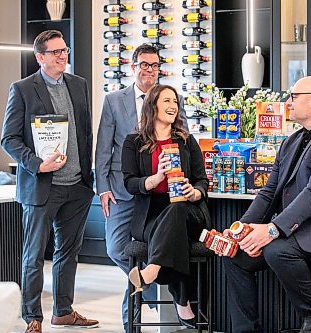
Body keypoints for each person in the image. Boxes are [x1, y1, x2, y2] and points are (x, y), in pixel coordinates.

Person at [222, 76, 311, 333]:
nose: (287, 102)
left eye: (293, 96)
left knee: (277, 249)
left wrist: (271, 230)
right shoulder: (292, 141)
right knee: (234, 254)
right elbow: (269, 193)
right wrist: (241, 229)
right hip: (303, 228)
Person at [1, 30, 98, 333]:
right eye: (55, 52)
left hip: (77, 187)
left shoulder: (79, 85)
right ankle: (33, 317)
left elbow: (84, 134)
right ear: (40, 57)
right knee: (34, 255)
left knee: (68, 254)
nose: (62, 56)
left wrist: (88, 177)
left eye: (64, 50)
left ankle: (64, 311)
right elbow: (9, 138)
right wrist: (36, 164)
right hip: (41, 187)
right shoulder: (22, 89)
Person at [95, 44, 187, 331]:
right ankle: (150, 280)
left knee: (145, 249)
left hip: (159, 192)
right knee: (116, 249)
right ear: (132, 66)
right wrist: (102, 188)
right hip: (123, 191)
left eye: (154, 65)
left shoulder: (171, 99)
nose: (149, 70)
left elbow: (181, 139)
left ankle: (130, 320)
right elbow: (103, 148)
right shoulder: (114, 100)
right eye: (144, 65)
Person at [121, 84, 210, 329]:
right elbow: (129, 183)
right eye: (167, 101)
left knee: (178, 207)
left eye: (175, 102)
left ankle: (151, 270)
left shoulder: (186, 140)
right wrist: (156, 178)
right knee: (174, 229)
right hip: (150, 214)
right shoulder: (133, 142)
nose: (173, 106)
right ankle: (182, 301)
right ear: (153, 106)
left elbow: (202, 180)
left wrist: (195, 192)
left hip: (188, 209)